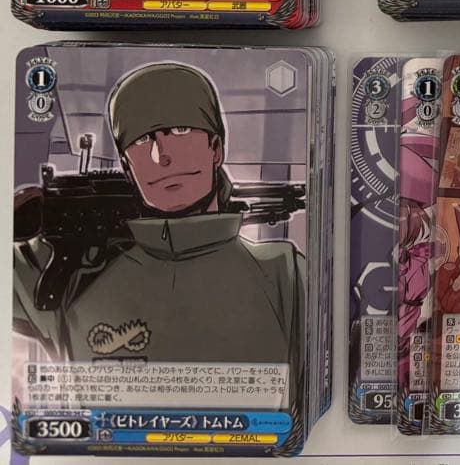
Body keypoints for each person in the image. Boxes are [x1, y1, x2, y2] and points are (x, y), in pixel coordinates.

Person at [12, 62, 305, 370]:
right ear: (127, 167)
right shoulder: (54, 269)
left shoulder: (284, 274)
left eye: (179, 131)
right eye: (141, 140)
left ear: (216, 148)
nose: (160, 156)